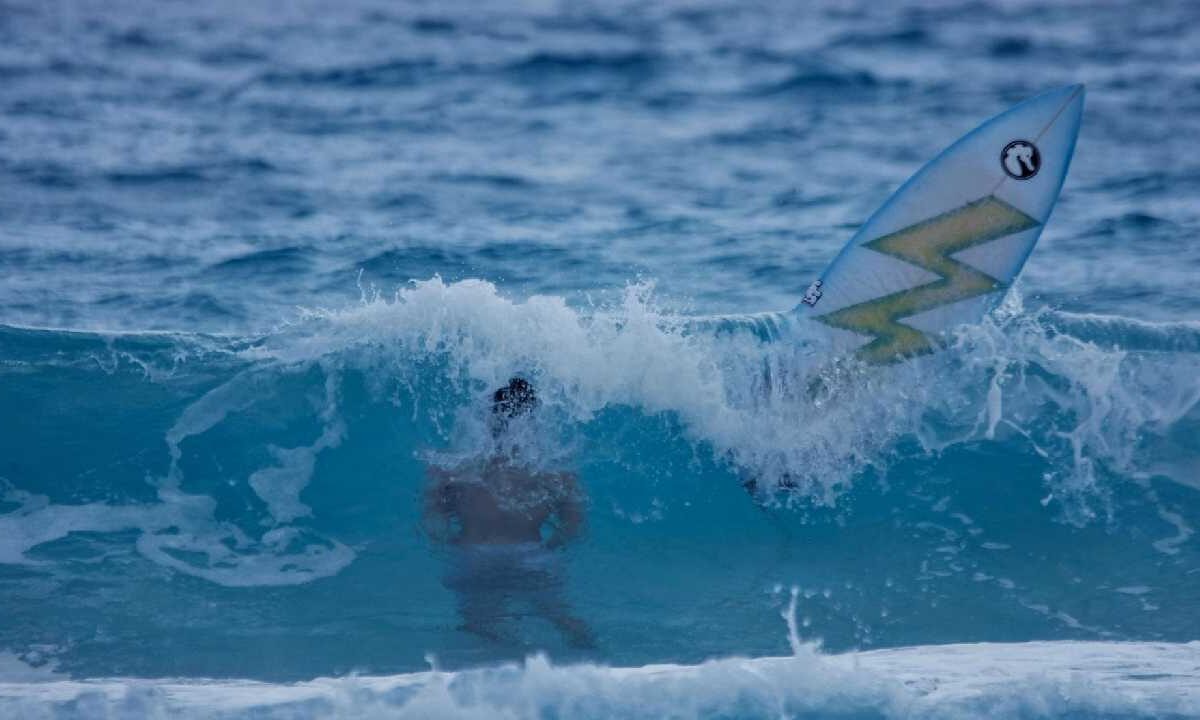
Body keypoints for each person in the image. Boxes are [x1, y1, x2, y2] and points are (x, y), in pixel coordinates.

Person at [423, 378, 594, 648]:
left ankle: (510, 665)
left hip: (475, 556)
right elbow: (572, 527)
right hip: (532, 557)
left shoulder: (456, 468)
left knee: (479, 623)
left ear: (489, 419)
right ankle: (596, 669)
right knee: (562, 618)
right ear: (534, 423)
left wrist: (449, 541)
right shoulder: (555, 474)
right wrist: (550, 547)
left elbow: (434, 521)